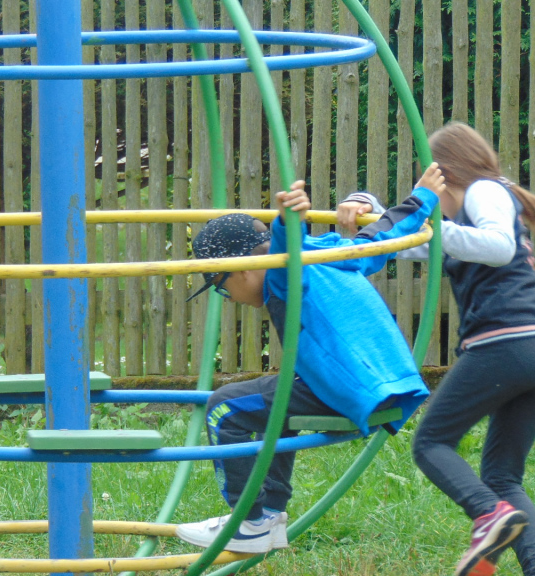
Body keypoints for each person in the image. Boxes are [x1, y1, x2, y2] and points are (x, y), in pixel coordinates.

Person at [338, 122, 535, 576]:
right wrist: (367, 205)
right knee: (502, 477)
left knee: (431, 443)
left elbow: (497, 246)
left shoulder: (484, 191)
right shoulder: (469, 215)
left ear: (447, 176)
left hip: (506, 343)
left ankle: (489, 516)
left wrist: (431, 229)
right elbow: (406, 241)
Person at [174, 165, 446, 553]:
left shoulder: (283, 272)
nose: (227, 298)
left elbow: (284, 249)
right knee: (273, 407)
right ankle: (270, 514)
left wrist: (288, 220)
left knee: (223, 407)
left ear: (245, 267)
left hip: (347, 388)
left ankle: (247, 522)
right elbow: (384, 235)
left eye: (220, 285)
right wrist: (421, 199)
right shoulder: (332, 253)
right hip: (386, 385)